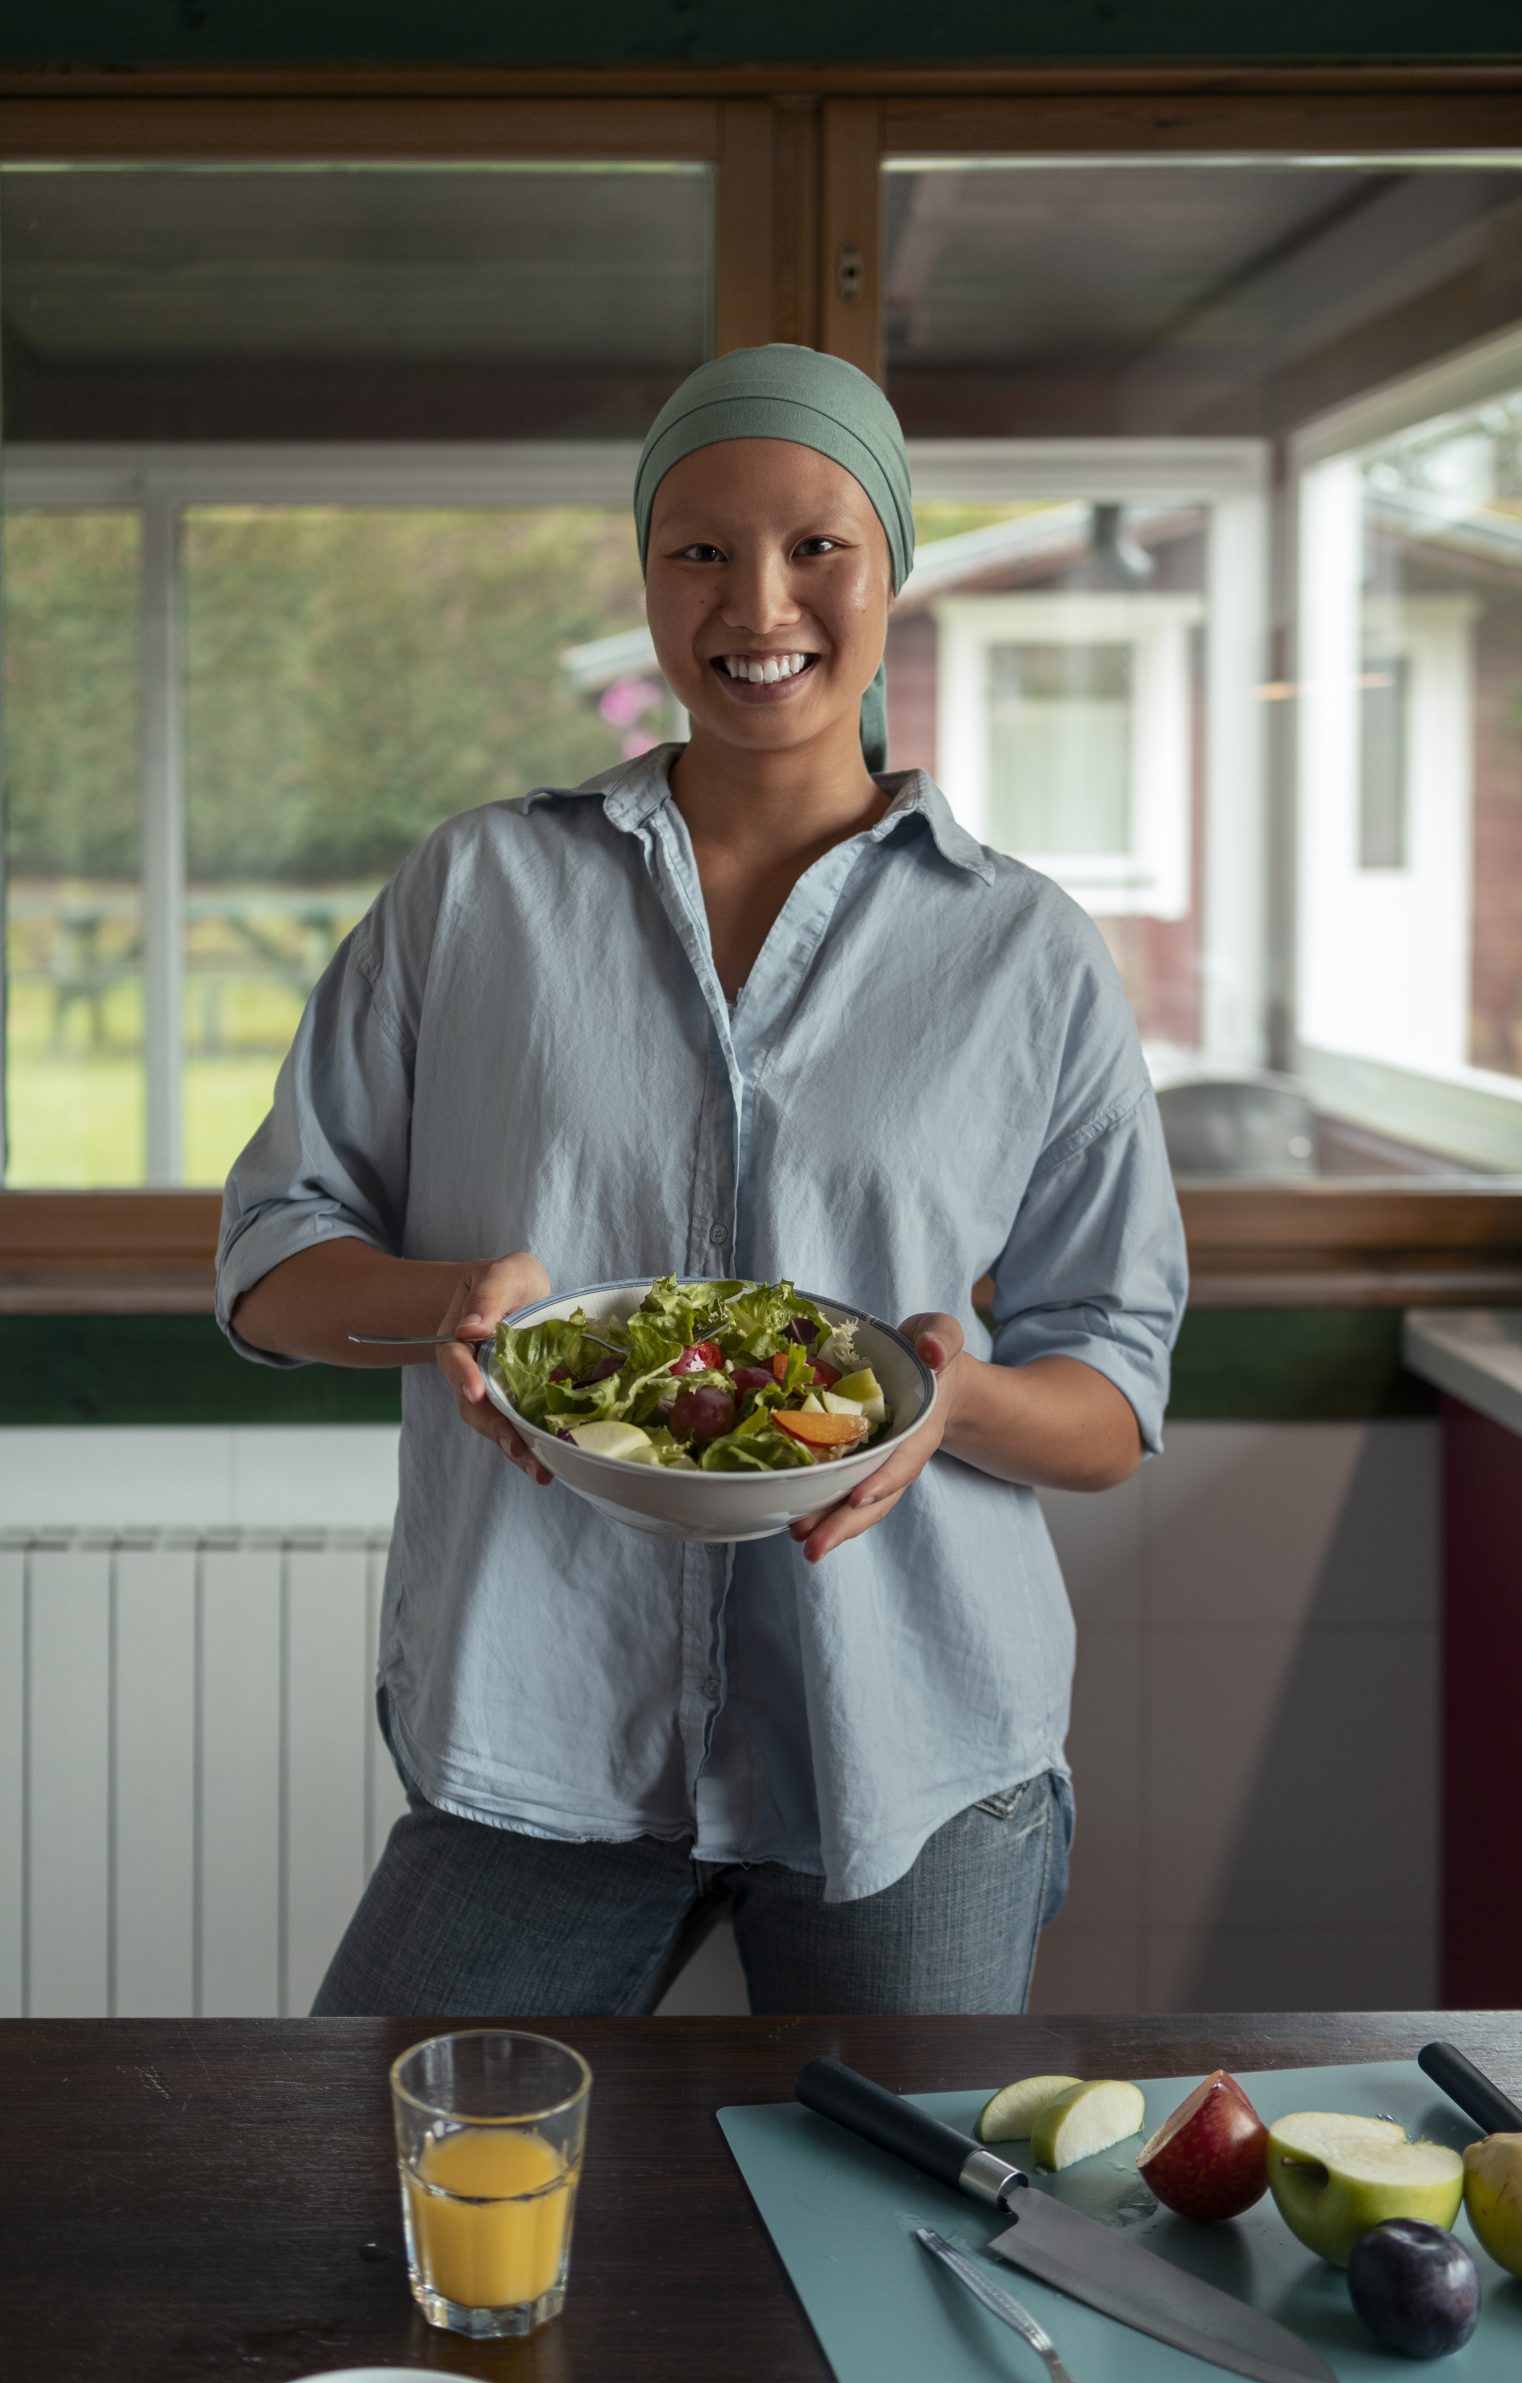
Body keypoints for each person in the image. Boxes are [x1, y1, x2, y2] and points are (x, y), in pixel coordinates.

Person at [216, 342, 1187, 2017]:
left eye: (818, 545)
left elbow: (1113, 1386)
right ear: (649, 575)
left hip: (914, 1744)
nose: (761, 601)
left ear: (891, 569)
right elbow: (272, 1256)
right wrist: (442, 1301)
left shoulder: (1024, 950)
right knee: (399, 2206)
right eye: (700, 548)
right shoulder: (477, 894)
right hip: (542, 1726)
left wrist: (955, 1406)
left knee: (891, 2257)